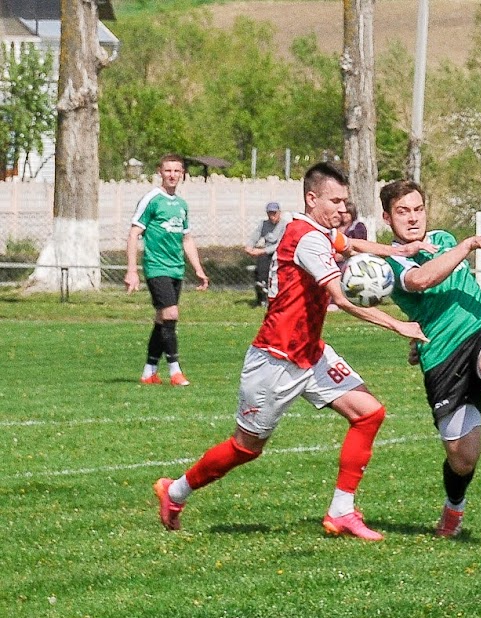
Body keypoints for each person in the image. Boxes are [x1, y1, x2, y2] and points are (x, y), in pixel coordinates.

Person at [152, 162, 433, 540]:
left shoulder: (318, 230)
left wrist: (401, 249)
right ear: (311, 198)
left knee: (369, 414)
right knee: (245, 448)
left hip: (311, 353)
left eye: (345, 202)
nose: (342, 210)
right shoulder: (307, 239)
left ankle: (341, 511)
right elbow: (342, 299)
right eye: (335, 201)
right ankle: (174, 492)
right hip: (275, 361)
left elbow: (351, 244)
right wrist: (399, 325)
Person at [379, 179, 481, 538]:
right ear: (387, 218)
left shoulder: (441, 239)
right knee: (463, 456)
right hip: (442, 359)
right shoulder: (390, 261)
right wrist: (470, 243)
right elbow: (421, 280)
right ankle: (453, 508)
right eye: (402, 212)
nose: (413, 218)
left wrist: (461, 245)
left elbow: (442, 269)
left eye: (418, 209)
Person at [125, 153, 209, 387]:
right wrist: (132, 270)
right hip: (156, 267)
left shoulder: (181, 205)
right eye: (168, 170)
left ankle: (149, 370)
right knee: (171, 314)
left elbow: (187, 240)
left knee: (163, 320)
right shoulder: (152, 199)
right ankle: (175, 371)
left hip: (176, 269)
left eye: (177, 171)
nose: (172, 175)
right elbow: (133, 234)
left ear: (182, 174)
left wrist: (198, 270)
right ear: (160, 172)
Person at [245, 201, 289, 307]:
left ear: (279, 213)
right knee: (262, 262)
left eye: (274, 213)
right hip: (267, 253)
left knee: (265, 258)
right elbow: (255, 236)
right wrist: (249, 247)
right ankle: (261, 288)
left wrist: (262, 251)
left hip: (281, 253)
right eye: (270, 213)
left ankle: (265, 287)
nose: (272, 216)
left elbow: (280, 245)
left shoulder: (285, 225)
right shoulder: (264, 224)